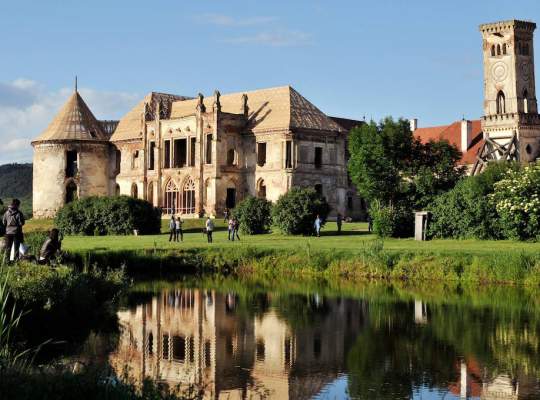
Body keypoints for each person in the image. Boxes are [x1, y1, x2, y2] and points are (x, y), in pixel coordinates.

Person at [2, 199, 25, 263]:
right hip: (16, 233)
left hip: (8, 233)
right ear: (17, 205)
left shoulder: (6, 213)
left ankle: (7, 261)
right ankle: (16, 261)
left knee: (8, 248)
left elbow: (4, 222)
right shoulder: (19, 213)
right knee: (16, 248)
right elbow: (21, 223)